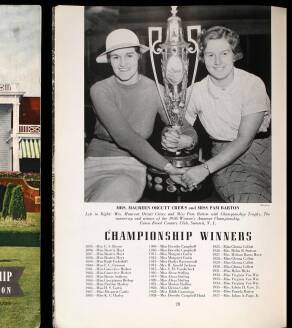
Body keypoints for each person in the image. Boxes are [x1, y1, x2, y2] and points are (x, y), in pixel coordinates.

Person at [86, 28, 197, 202]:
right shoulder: (99, 89)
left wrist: (188, 140)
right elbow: (125, 137)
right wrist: (168, 168)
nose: (123, 63)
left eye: (129, 55)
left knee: (106, 204)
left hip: (132, 166)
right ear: (109, 60)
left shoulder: (155, 90)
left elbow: (184, 125)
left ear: (139, 56)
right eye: (116, 57)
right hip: (95, 162)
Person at [162, 26, 271, 202]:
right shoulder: (196, 91)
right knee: (254, 204)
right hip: (224, 162)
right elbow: (178, 125)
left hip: (268, 153)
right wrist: (176, 138)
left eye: (224, 53)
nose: (217, 61)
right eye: (211, 55)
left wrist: (203, 169)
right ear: (202, 58)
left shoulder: (252, 84)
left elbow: (245, 139)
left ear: (234, 54)